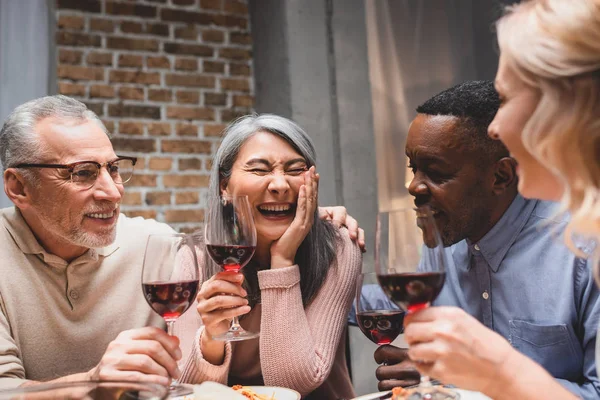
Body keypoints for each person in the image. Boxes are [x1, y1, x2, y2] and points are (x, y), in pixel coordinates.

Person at [0, 95, 364, 390]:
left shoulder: (155, 246)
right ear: (18, 187)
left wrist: (311, 224)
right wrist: (93, 383)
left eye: (114, 168)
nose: (113, 193)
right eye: (82, 173)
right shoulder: (184, 254)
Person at [401, 1, 600, 400]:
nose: (496, 127)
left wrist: (499, 371)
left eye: (507, 98)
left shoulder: (584, 244)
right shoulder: (444, 243)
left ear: (566, 107)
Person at [366, 80, 600, 399]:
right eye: (413, 167)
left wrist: (462, 380)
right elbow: (380, 305)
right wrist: (319, 240)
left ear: (500, 177)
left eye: (435, 172)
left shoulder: (584, 249)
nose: (414, 187)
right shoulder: (445, 240)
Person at [188, 114, 362, 399]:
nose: (280, 185)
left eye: (295, 170)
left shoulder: (339, 248)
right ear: (224, 186)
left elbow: (294, 382)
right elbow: (189, 391)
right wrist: (212, 339)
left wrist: (282, 259)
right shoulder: (195, 256)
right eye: (259, 170)